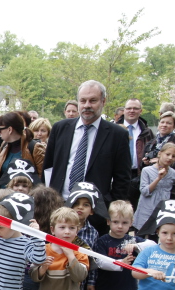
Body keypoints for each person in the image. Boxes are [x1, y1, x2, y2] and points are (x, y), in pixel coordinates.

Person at [44, 80, 132, 233]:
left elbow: (122, 178)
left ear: (103, 101)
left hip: (94, 214)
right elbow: (48, 167)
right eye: (83, 100)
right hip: (59, 208)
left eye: (93, 100)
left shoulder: (117, 135)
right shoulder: (60, 128)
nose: (87, 105)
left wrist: (108, 208)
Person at [0, 111, 45, 199]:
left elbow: (42, 179)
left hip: (25, 201)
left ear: (10, 130)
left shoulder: (34, 147)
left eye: (0, 129)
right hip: (2, 199)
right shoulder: (4, 145)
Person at [134, 143, 175, 231]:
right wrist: (158, 178)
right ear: (160, 154)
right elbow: (145, 191)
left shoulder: (173, 174)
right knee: (141, 237)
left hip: (162, 209)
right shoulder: (147, 170)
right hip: (146, 208)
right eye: (167, 154)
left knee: (157, 235)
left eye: (173, 156)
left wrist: (173, 193)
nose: (170, 158)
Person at [116, 99, 155, 209]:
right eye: (129, 108)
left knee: (136, 208)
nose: (131, 111)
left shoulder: (147, 131)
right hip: (118, 175)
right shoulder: (113, 129)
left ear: (140, 111)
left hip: (138, 174)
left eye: (135, 108)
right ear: (124, 110)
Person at [142, 111, 175, 177]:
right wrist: (145, 162)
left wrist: (164, 162)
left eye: (168, 123)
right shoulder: (151, 143)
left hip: (170, 180)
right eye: (162, 122)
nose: (164, 125)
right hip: (152, 179)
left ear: (174, 127)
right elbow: (142, 165)